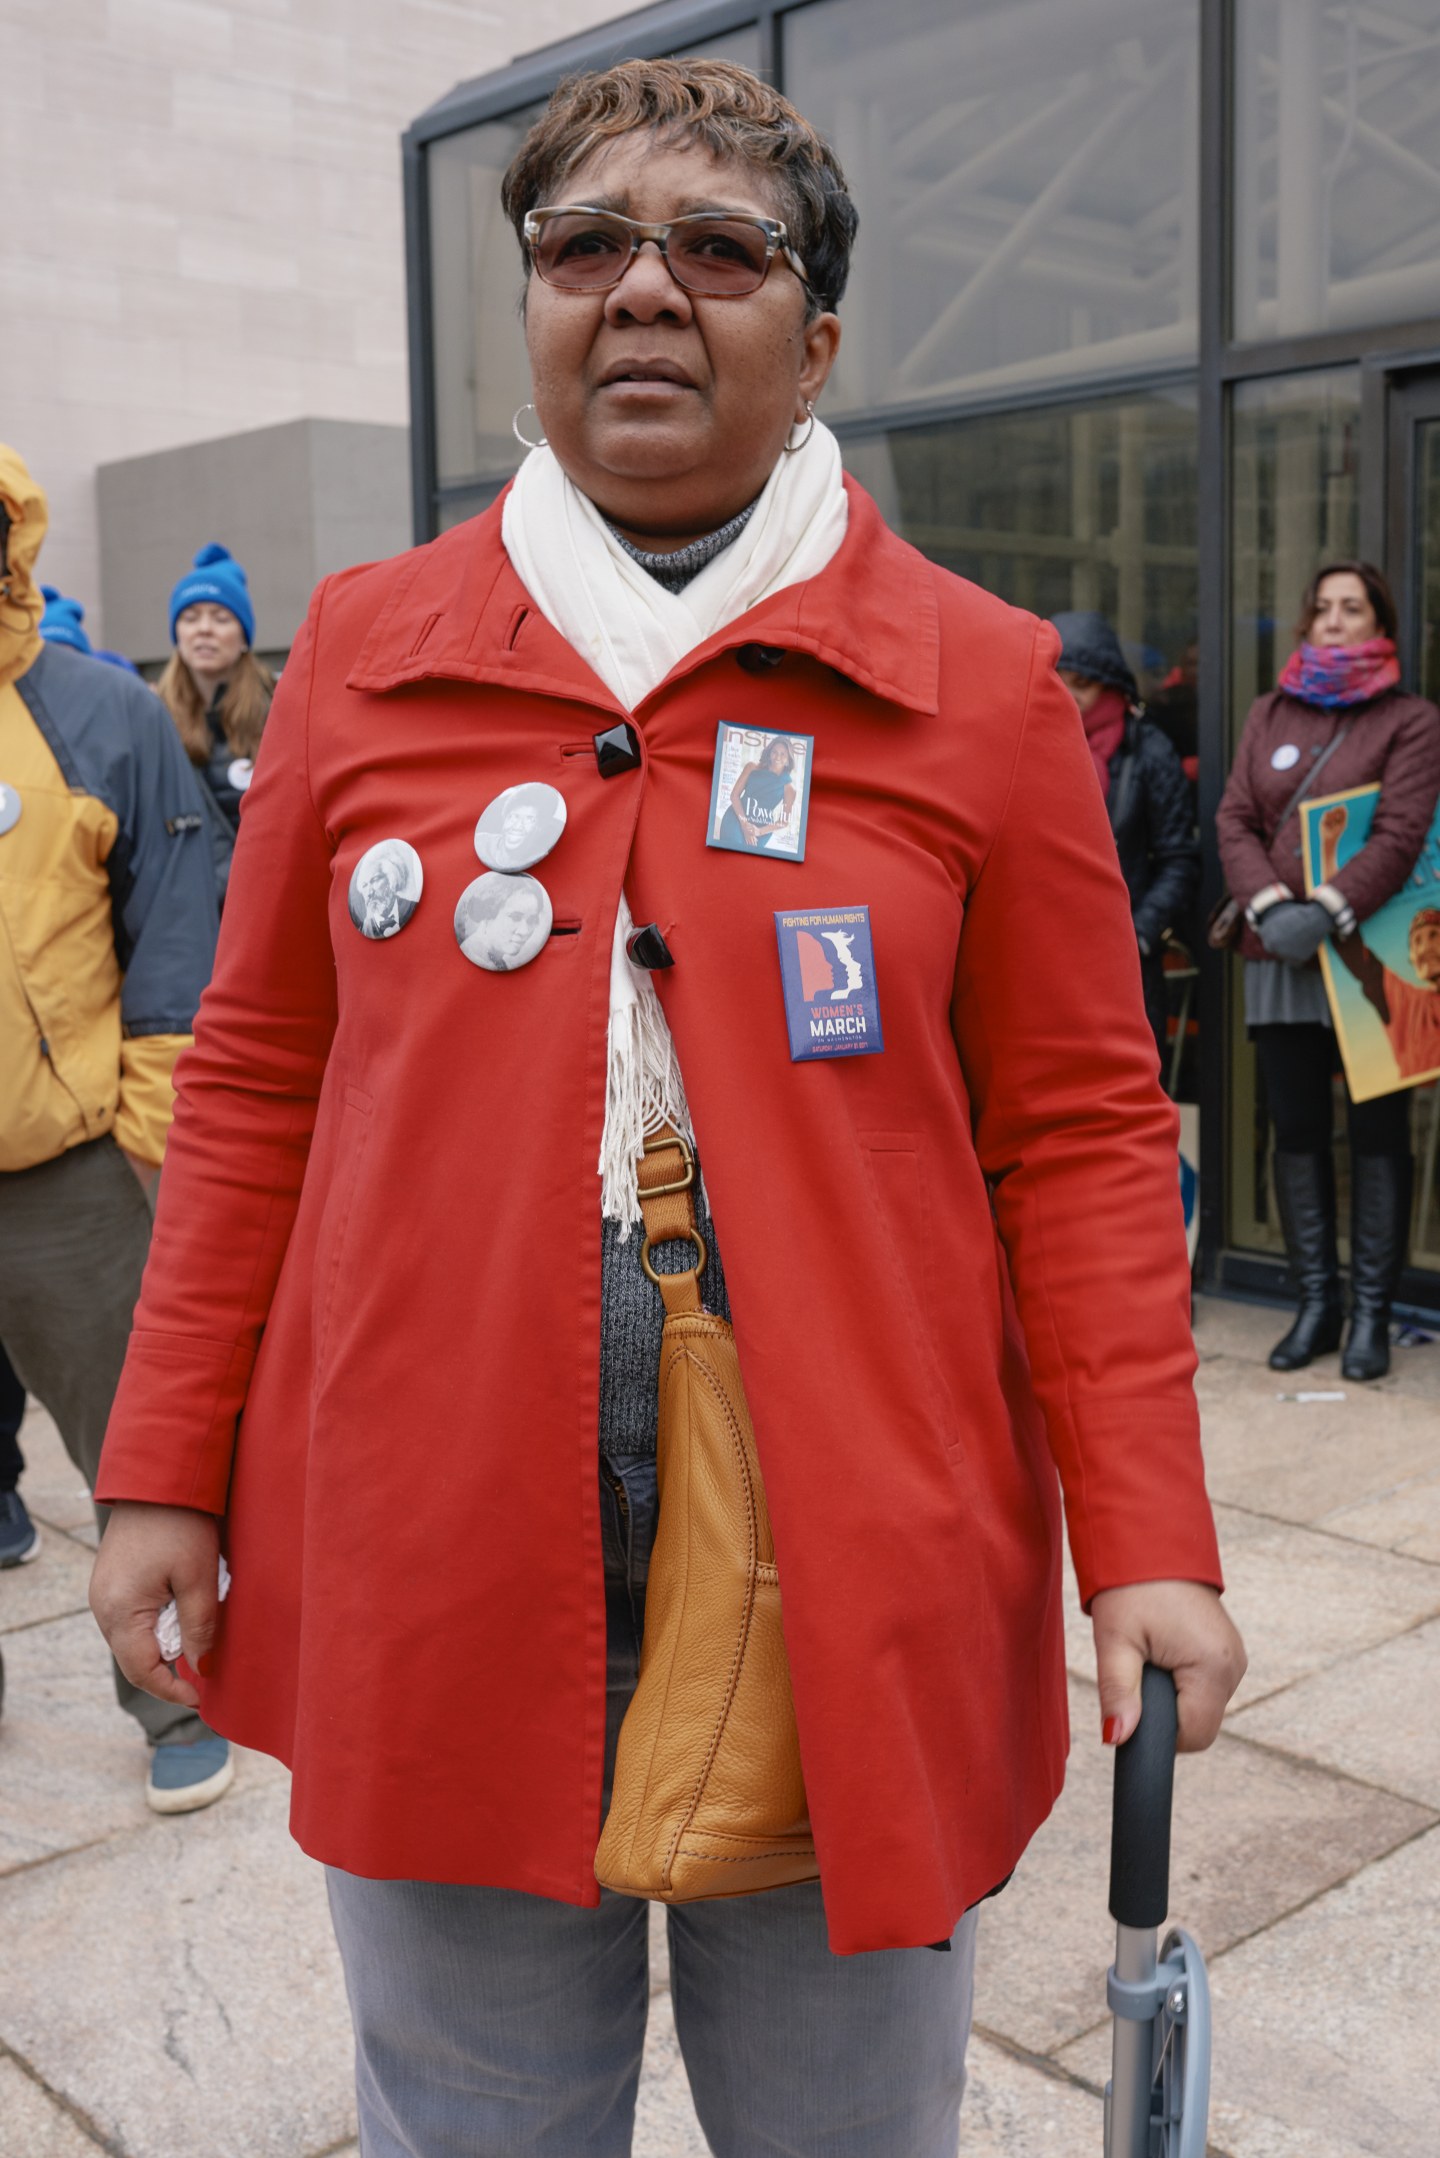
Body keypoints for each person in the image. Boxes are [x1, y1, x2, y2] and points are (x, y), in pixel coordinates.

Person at [90, 62, 1243, 2158]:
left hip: (850, 1550)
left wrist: (1147, 1533)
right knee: (472, 2113)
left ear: (812, 344)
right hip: (436, 1536)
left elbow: (1076, 1128)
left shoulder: (973, 680)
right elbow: (257, 1077)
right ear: (526, 309)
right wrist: (161, 1459)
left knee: (843, 2125)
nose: (643, 289)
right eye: (583, 246)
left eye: (718, 251)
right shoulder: (362, 649)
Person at [0, 445, 226, 1808]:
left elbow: (175, 934)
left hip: (69, 1179)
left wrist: (147, 1131)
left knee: (132, 1453)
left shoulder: (95, 714)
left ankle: (171, 1705)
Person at [1216, 561, 1440, 1381]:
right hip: (1278, 953)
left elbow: (1402, 832)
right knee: (1299, 1129)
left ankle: (1372, 1316)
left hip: (1362, 956)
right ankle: (1318, 1303)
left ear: (1378, 622)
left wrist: (1328, 911)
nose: (1335, 621)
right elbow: (1235, 816)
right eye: (1323, 609)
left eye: (1353, 608)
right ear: (1306, 624)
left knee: (1378, 1136)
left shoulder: (1411, 721)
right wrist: (1275, 908)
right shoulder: (1268, 709)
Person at [1051, 612, 1200, 1071]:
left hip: (1123, 968)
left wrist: (1138, 936)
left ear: (1111, 687)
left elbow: (1180, 858)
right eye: (1058, 680)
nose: (1069, 695)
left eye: (1083, 683)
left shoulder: (1148, 749)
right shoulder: (1020, 743)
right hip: (1040, 958)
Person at [154, 543, 274, 906]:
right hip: (185, 911)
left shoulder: (280, 709)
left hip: (261, 908)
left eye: (221, 618)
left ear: (243, 637)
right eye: (190, 618)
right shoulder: (150, 716)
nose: (204, 630)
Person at [719, 732, 797, 849]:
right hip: (737, 815)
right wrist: (745, 825)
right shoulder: (751, 767)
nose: (777, 757)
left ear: (788, 759)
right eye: (774, 752)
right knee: (733, 844)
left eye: (783, 754)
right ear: (769, 753)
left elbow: (784, 821)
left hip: (761, 827)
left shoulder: (790, 788)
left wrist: (759, 831)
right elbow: (734, 796)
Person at [456, 873, 548, 968]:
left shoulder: (498, 963)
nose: (524, 931)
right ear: (488, 913)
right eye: (515, 917)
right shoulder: (473, 958)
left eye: (531, 920)